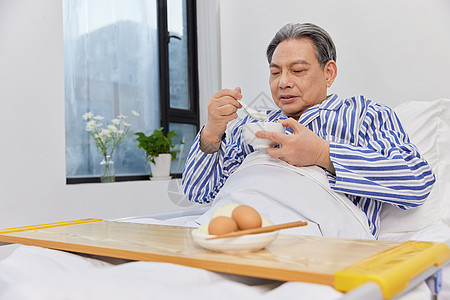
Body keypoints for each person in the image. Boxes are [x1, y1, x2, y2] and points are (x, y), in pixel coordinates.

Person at [182, 23, 435, 238]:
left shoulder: (365, 115)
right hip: (228, 231)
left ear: (329, 73)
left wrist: (323, 154)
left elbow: (416, 183)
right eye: (275, 72)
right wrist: (212, 134)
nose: (283, 82)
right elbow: (199, 192)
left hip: (314, 236)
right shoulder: (253, 126)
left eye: (298, 71)